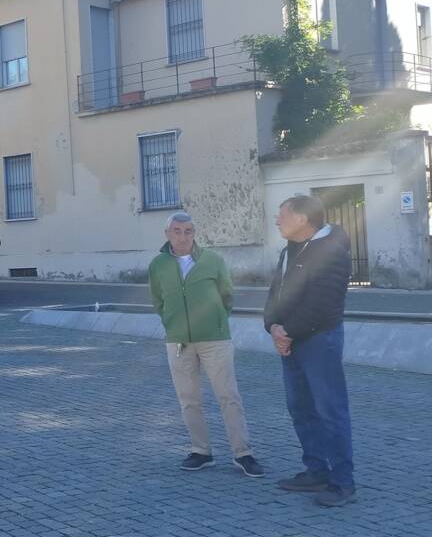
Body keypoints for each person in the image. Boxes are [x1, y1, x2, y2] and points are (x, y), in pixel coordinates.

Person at [148, 212, 262, 477]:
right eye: (177, 231)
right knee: (188, 399)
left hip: (214, 339)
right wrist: (171, 322)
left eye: (188, 231)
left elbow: (227, 295)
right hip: (178, 342)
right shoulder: (158, 265)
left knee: (229, 396)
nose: (183, 236)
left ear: (194, 233)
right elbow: (158, 300)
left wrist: (217, 321)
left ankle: (243, 453)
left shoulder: (213, 260)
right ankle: (201, 451)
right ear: (167, 234)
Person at [265, 195, 356, 507]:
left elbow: (323, 305)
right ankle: (316, 470)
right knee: (300, 408)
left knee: (330, 410)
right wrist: (273, 326)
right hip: (291, 340)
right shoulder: (290, 249)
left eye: (282, 214)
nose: (277, 220)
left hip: (319, 341)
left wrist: (286, 332)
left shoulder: (332, 251)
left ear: (302, 219)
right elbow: (275, 292)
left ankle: (343, 482)